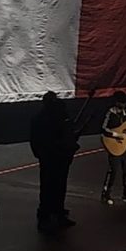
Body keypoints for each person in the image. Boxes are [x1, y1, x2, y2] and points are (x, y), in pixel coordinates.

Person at [30, 91, 79, 232]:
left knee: (54, 187)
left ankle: (55, 214)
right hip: (52, 157)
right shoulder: (45, 119)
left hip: (56, 157)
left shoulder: (48, 117)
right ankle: (47, 216)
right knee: (50, 187)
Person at [100, 91, 126, 205]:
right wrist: (116, 135)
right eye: (121, 103)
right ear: (116, 102)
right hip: (114, 145)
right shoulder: (110, 113)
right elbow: (103, 128)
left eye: (124, 103)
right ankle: (106, 194)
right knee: (113, 171)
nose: (123, 105)